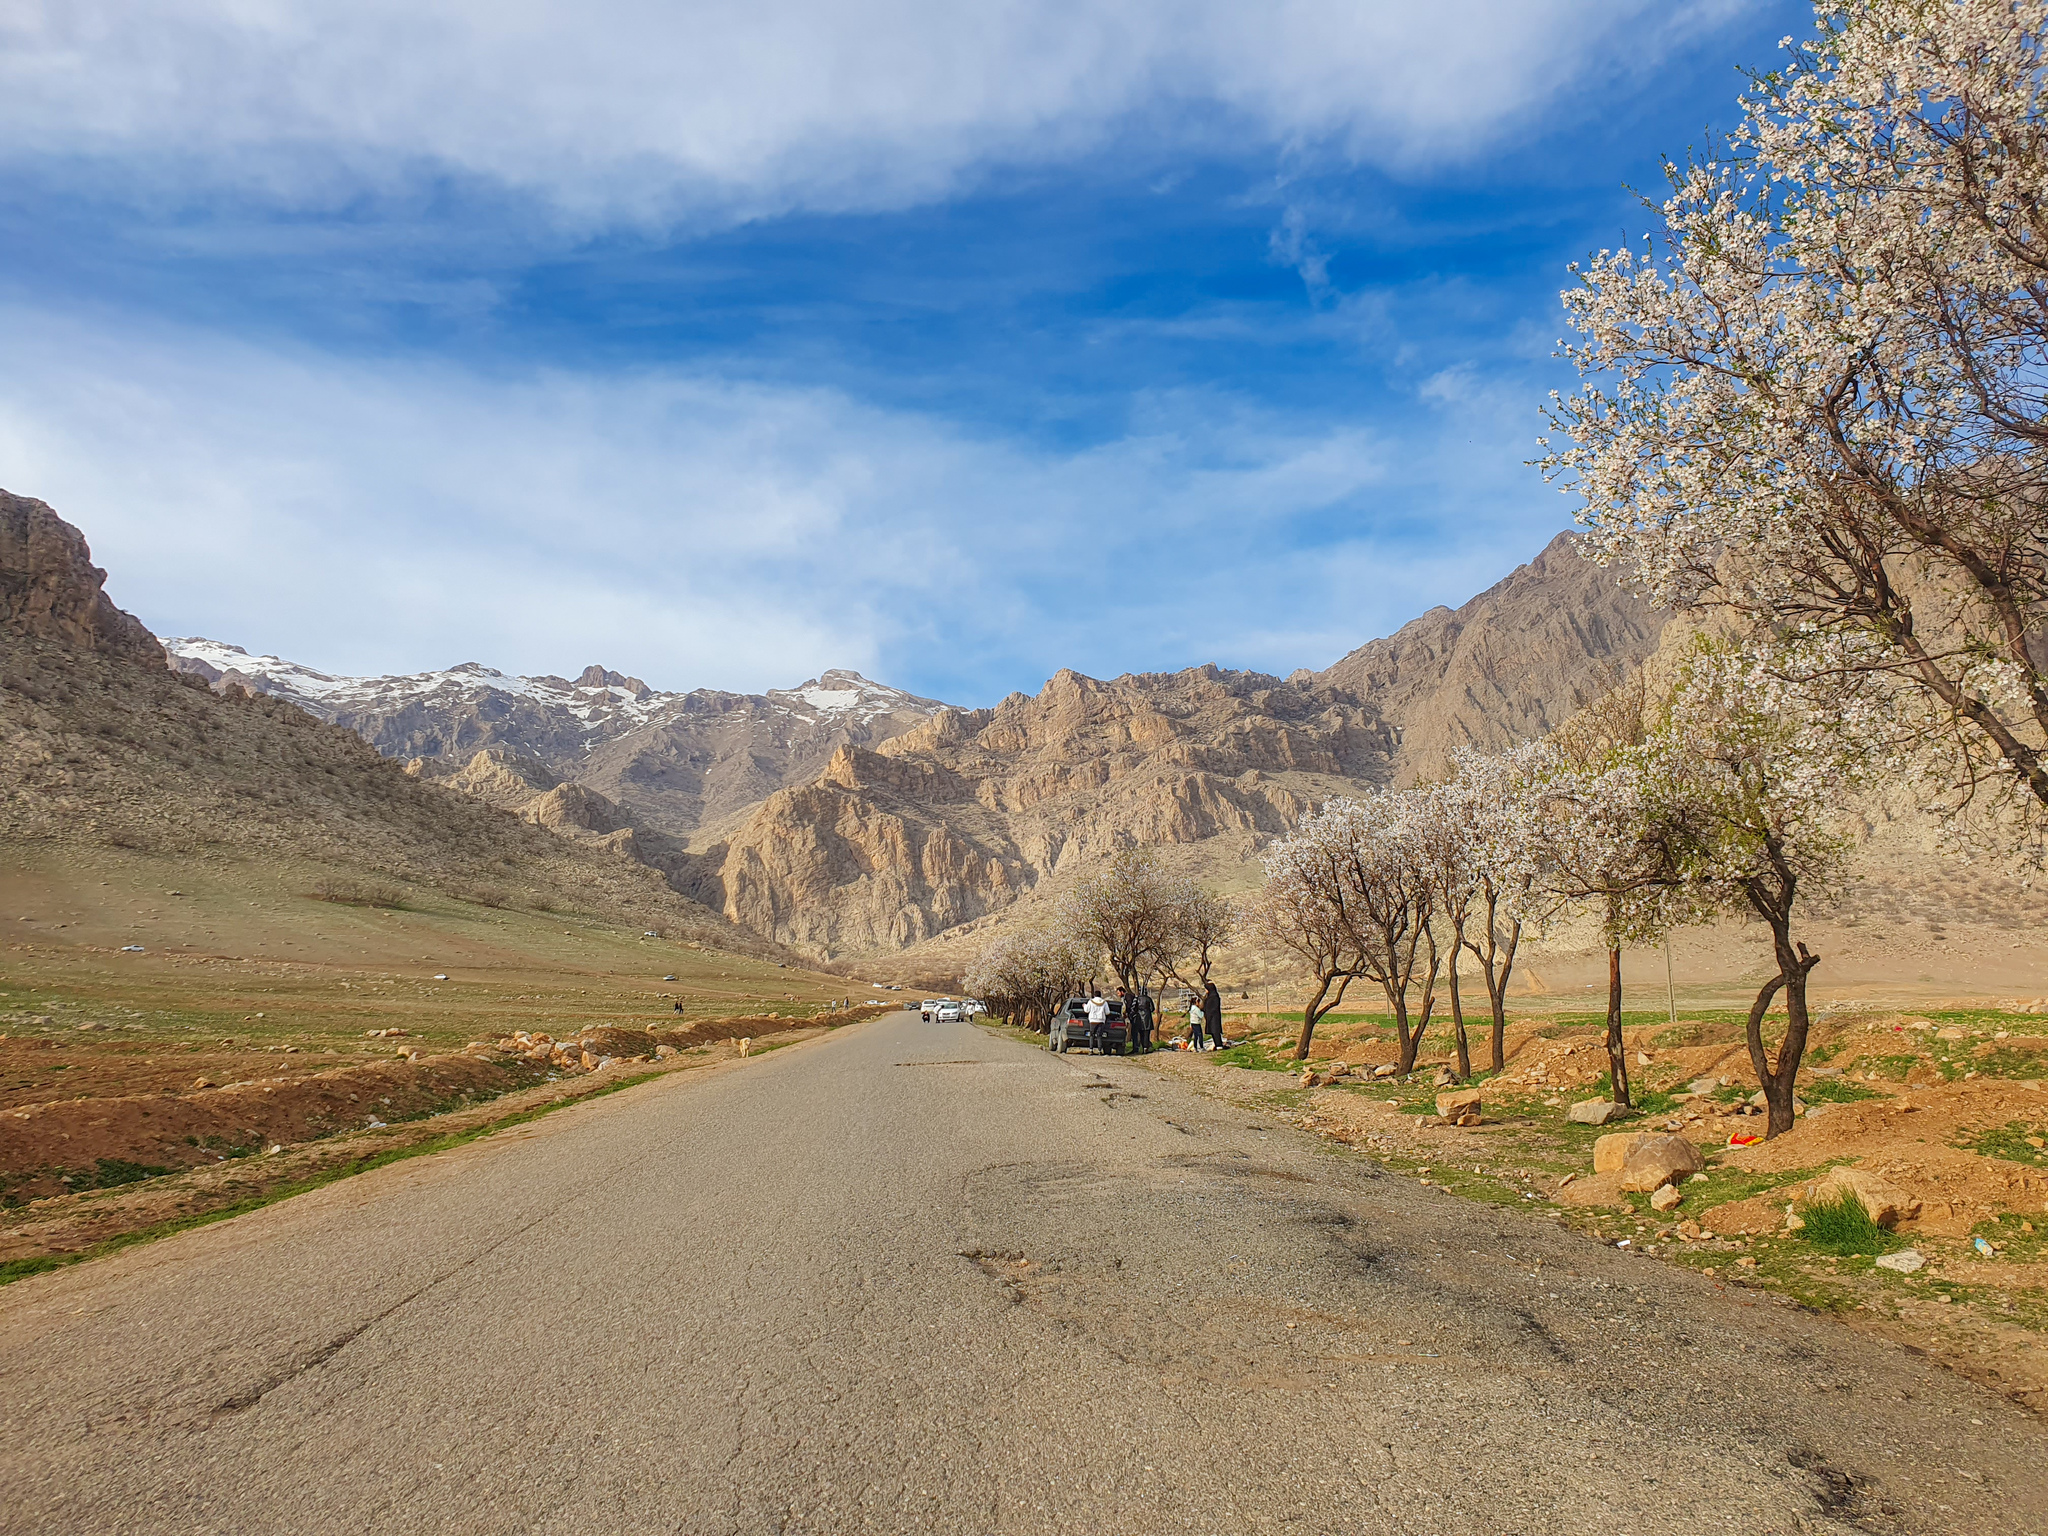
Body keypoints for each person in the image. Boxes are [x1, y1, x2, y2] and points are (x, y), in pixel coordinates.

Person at [1086, 989, 1110, 1055]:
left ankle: (1091, 1050)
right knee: (1099, 1036)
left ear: (1094, 995)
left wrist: (1084, 1006)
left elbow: (1086, 1010)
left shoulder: (1090, 1001)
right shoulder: (1104, 1002)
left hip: (1093, 1021)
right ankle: (1100, 1050)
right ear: (1100, 995)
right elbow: (1108, 1012)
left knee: (1091, 1035)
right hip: (1101, 1021)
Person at [1203, 980, 1224, 1051]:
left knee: (1215, 1031)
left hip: (1214, 1017)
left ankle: (1219, 1046)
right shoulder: (1209, 997)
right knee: (1213, 1031)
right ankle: (1217, 1045)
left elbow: (1214, 1008)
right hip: (1210, 1017)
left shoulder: (1214, 997)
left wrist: (1210, 1013)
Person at [1133, 985, 1154, 1052]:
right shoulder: (1148, 999)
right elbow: (1152, 1008)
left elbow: (1133, 1008)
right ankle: (1145, 1047)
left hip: (1139, 1018)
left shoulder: (1137, 999)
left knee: (1141, 1033)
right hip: (1147, 1018)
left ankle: (1142, 1047)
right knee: (1146, 1034)